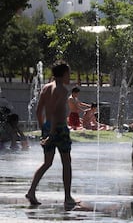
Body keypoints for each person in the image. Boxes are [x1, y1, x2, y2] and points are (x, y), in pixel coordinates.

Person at [26, 60, 77, 208]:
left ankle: (31, 191)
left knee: (47, 162)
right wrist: (53, 132)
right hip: (59, 129)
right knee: (66, 162)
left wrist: (45, 130)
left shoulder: (46, 88)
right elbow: (55, 111)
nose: (70, 76)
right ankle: (67, 197)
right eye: (69, 73)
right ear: (63, 74)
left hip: (48, 127)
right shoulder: (61, 90)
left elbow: (38, 110)